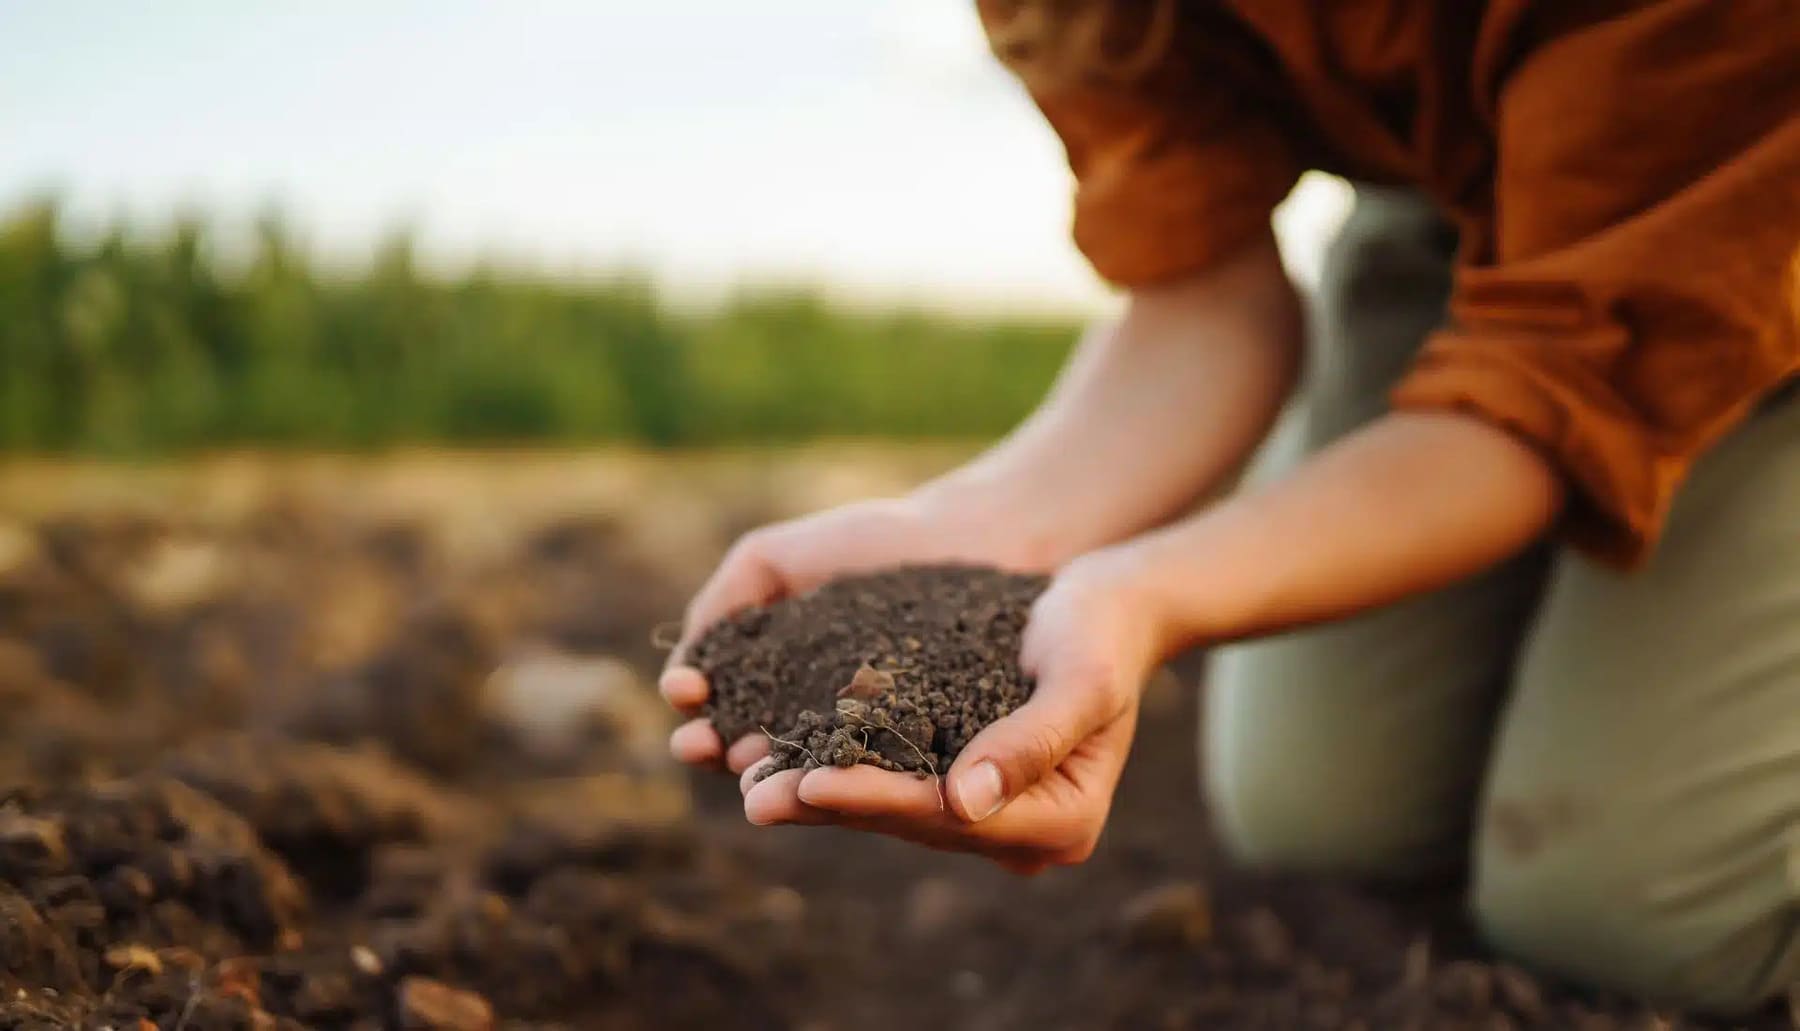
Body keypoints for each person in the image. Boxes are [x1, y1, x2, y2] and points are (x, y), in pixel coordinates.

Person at [659, 0, 1800, 1014]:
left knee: (1630, 915)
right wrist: (990, 529)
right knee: (1324, 818)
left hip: (1755, 207)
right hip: (1461, 206)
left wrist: (1152, 591)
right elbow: (1203, 298)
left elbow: (1545, 393)